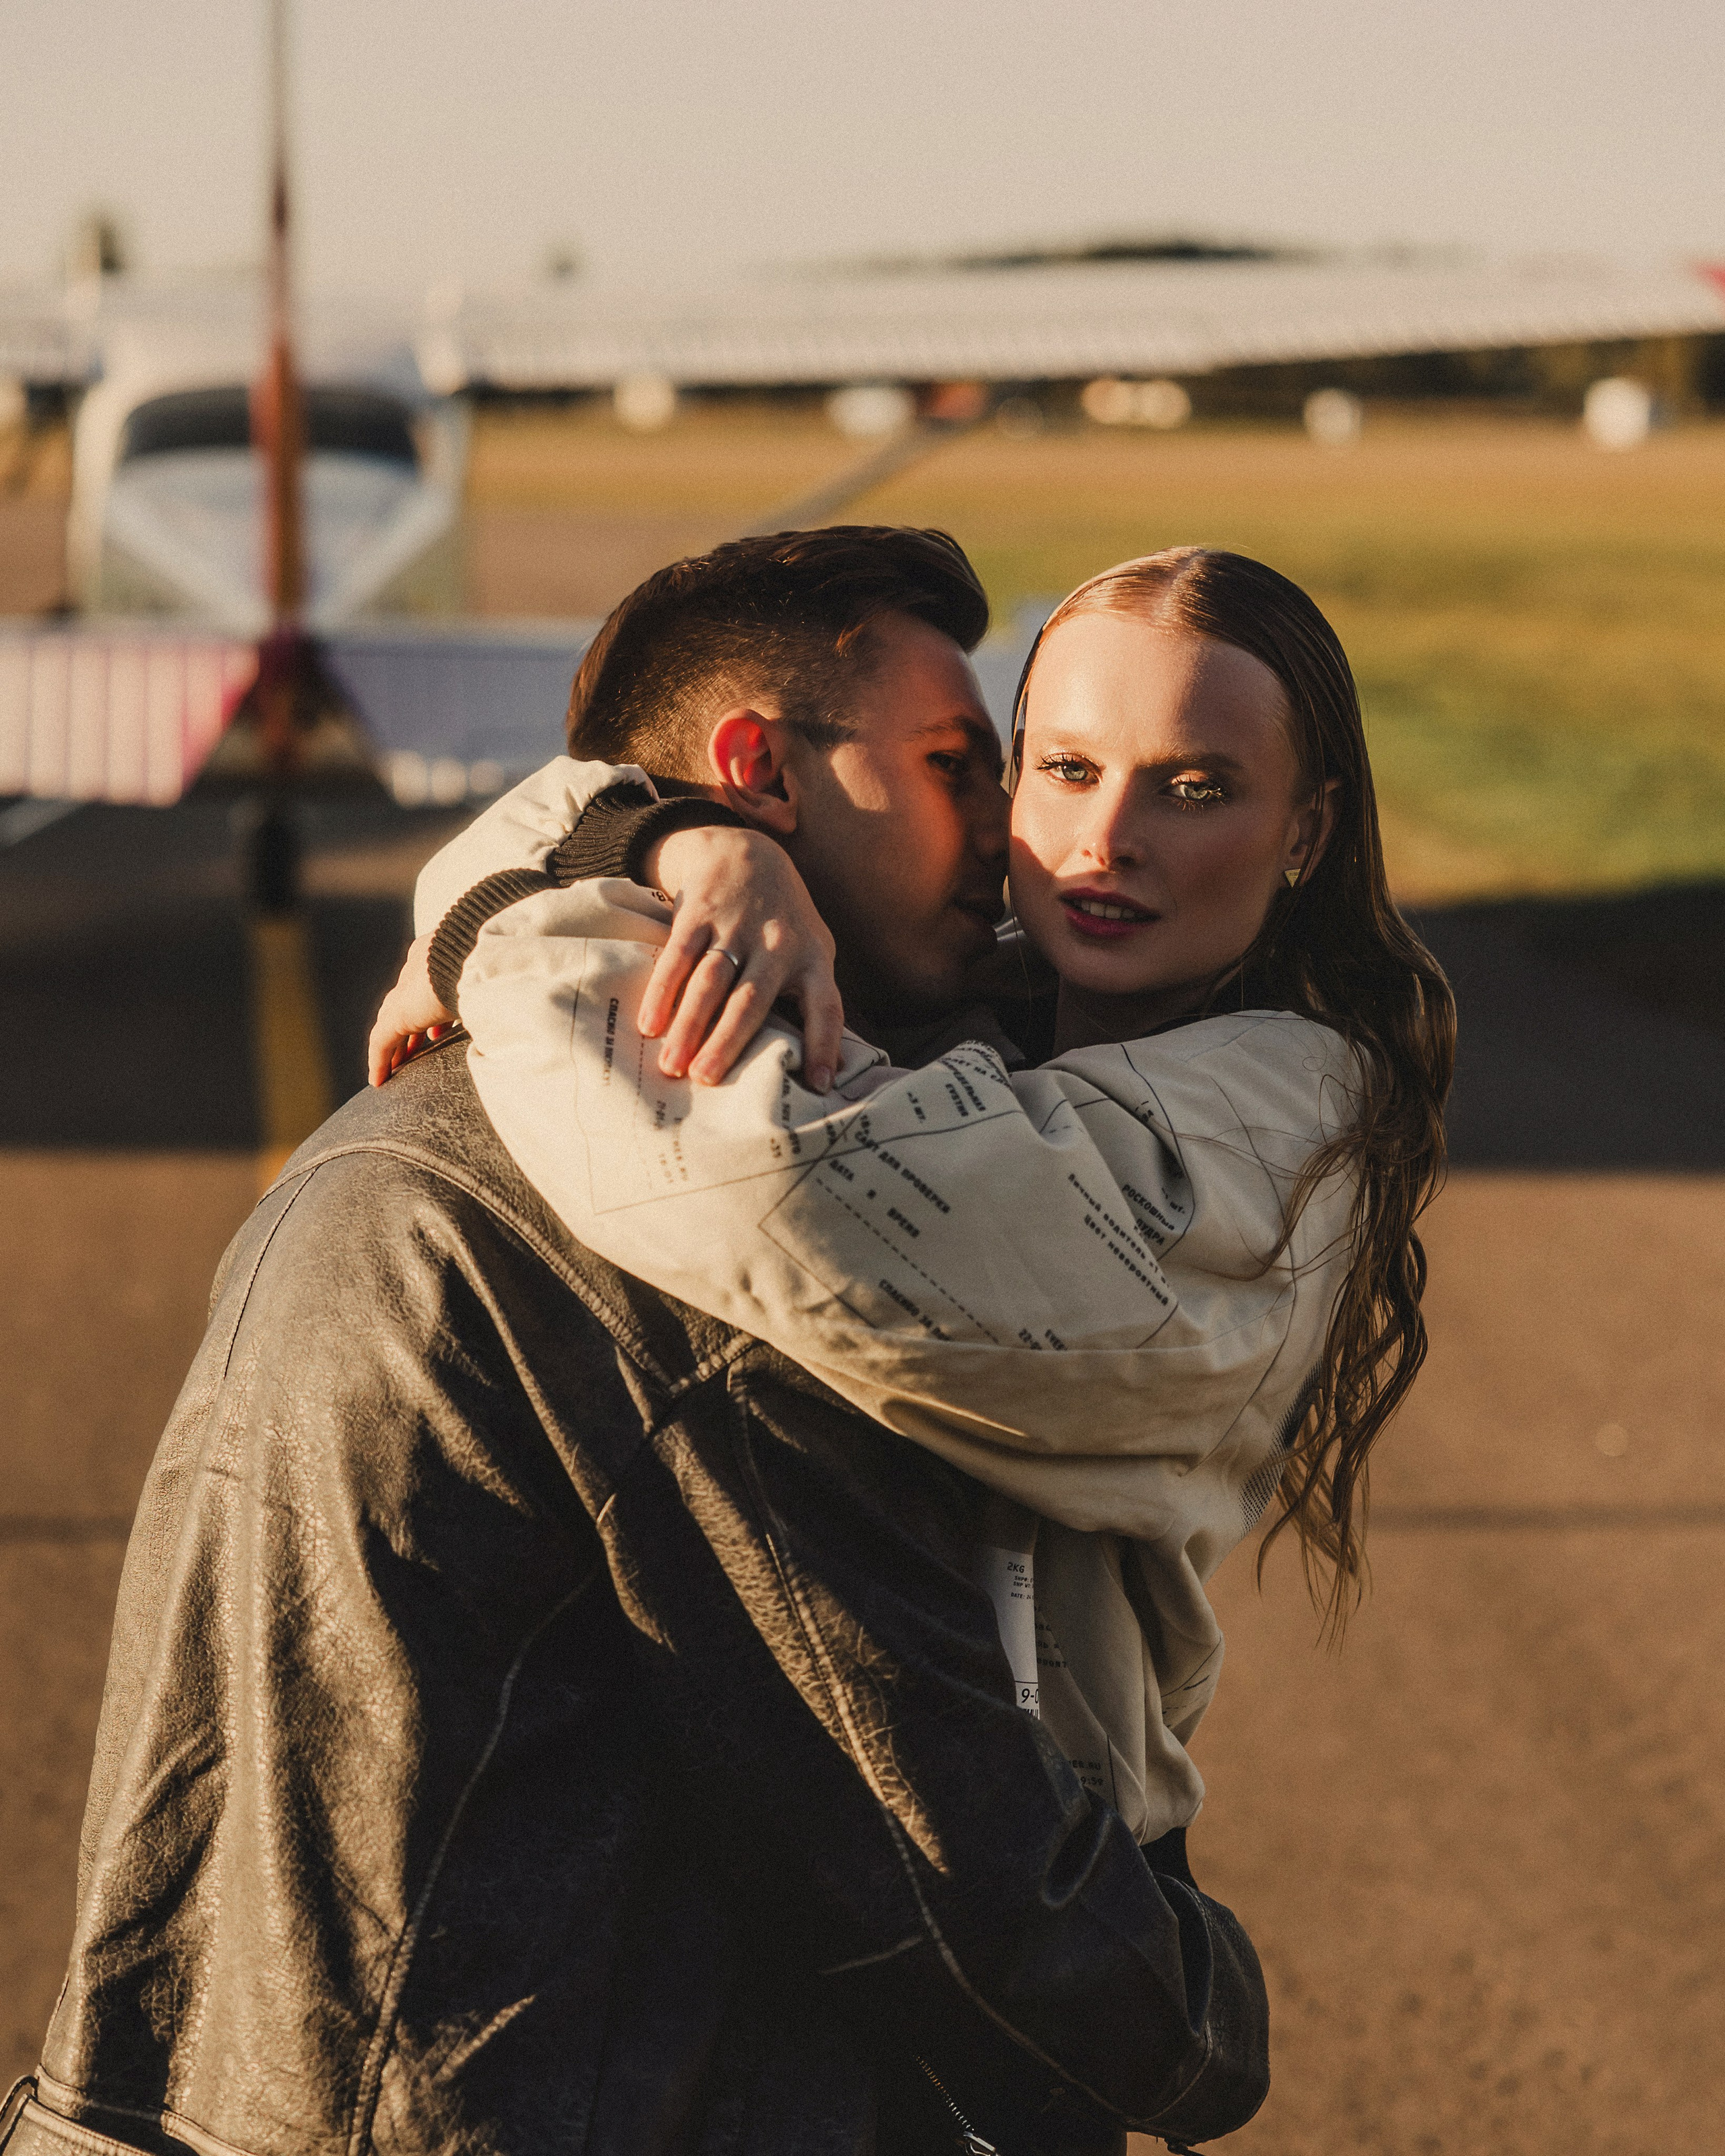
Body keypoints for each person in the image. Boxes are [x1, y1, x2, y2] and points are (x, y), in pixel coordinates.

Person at [14, 528, 1270, 2156]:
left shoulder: (413, 1115)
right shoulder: (703, 1228)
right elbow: (925, 1833)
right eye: (953, 764)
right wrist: (1199, 2024)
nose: (1005, 833)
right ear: (758, 774)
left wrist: (645, 837)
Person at [372, 545, 1454, 1847]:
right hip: (857, 1852)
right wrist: (679, 841)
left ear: (1308, 833)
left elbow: (769, 1187)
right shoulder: (971, 1012)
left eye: (1194, 789)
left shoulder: (1283, 1122)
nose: (1108, 839)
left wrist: (506, 923)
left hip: (1045, 1891)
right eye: (1065, 769)